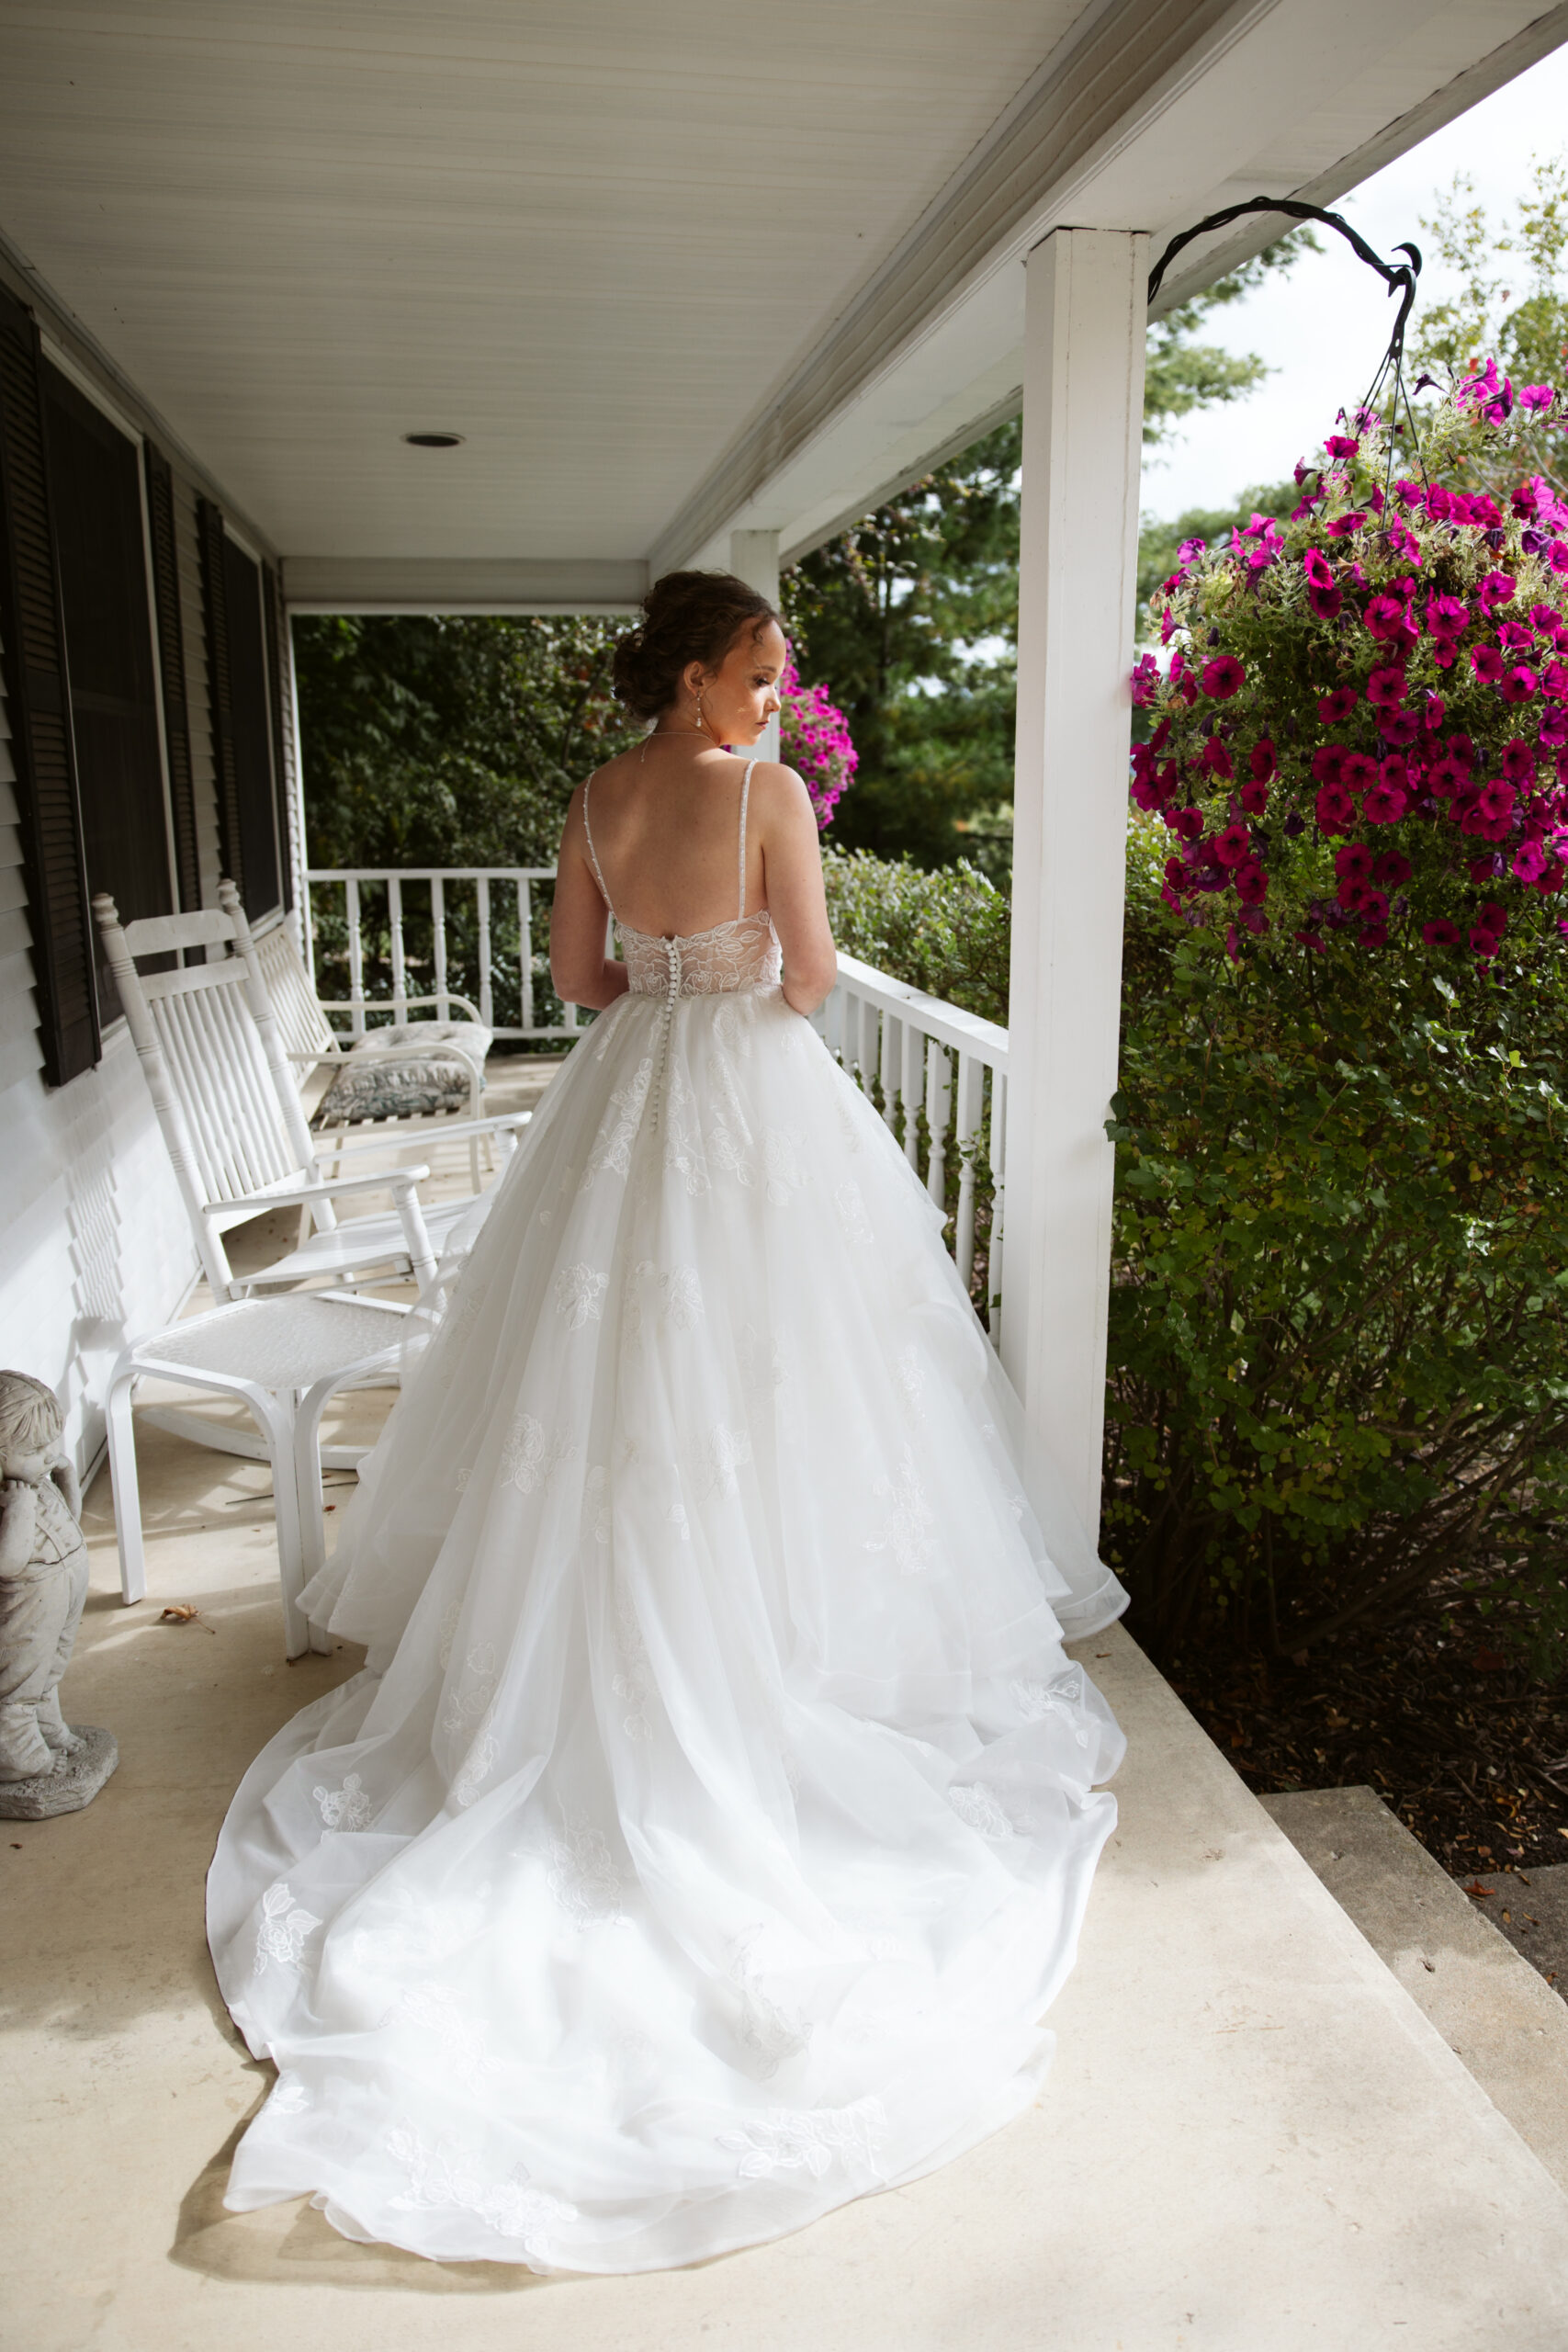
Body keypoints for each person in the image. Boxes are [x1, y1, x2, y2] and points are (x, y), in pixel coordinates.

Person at [207, 569, 1128, 2274]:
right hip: (753, 1106)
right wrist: (748, 962)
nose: (775, 701)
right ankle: (774, 1654)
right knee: (786, 1397)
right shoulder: (765, 799)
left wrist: (664, 965)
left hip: (622, 1107)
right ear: (700, 675)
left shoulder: (594, 796)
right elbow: (811, 982)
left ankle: (591, 1660)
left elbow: (580, 982)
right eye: (761, 673)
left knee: (605, 1400)